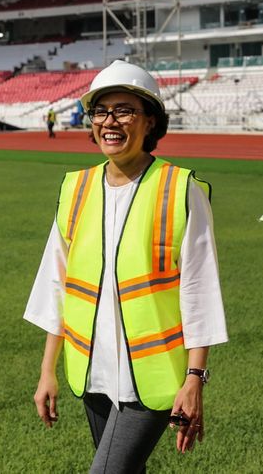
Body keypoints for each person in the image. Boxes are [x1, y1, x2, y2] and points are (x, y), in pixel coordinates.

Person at [24, 60, 228, 472]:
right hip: (92, 373)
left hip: (152, 378)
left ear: (150, 121)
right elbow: (56, 283)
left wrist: (195, 378)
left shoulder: (179, 188)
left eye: (124, 110)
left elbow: (199, 289)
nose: (109, 121)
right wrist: (48, 371)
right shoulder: (75, 188)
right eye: (100, 111)